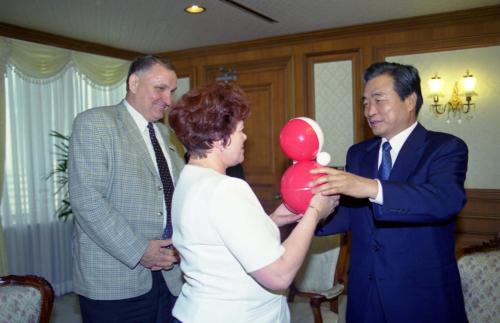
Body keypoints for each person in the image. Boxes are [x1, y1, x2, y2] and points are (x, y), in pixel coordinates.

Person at [310, 62, 468, 323]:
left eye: (378, 100)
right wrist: (308, 209)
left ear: (410, 100)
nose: (369, 111)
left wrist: (371, 187)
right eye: (364, 102)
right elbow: (351, 215)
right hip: (364, 296)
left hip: (421, 298)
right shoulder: (359, 153)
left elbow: (444, 200)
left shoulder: (445, 147)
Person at [167, 82, 338, 323]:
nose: (245, 137)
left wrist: (276, 219)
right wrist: (314, 211)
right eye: (240, 130)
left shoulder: (188, 179)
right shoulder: (225, 189)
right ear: (218, 139)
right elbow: (279, 275)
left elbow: (220, 240)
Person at [68, 55, 184, 323]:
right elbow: (88, 201)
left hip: (169, 277)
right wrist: (141, 250)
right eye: (160, 88)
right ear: (134, 82)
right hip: (115, 280)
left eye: (171, 91)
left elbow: (174, 196)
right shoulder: (96, 123)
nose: (168, 100)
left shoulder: (167, 135)